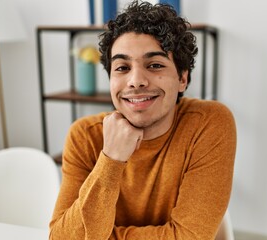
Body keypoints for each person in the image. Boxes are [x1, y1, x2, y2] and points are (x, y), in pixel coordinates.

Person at [49, 1, 236, 239]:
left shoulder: (208, 123)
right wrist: (111, 160)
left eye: (155, 65)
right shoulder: (84, 135)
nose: (136, 81)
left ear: (182, 78)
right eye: (122, 67)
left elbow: (189, 237)